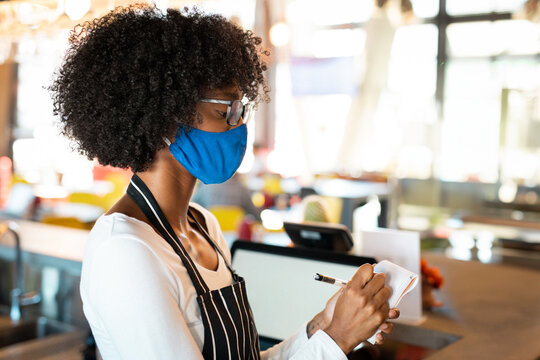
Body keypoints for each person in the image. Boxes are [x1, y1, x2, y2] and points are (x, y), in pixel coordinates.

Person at [49, 5, 399, 359]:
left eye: (240, 111)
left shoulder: (205, 226)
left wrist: (324, 325)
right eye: (225, 112)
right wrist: (337, 339)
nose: (239, 128)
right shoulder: (125, 251)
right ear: (165, 116)